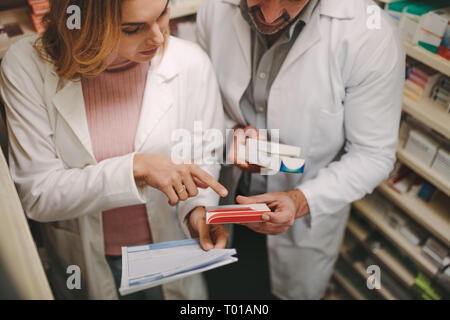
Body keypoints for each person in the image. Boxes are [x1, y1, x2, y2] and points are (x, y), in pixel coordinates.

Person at [0, 0, 229, 300]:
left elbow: (203, 159)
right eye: (132, 29)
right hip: (88, 262)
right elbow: (39, 193)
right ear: (86, 25)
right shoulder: (26, 66)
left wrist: (198, 212)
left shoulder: (191, 62)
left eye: (162, 13)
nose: (159, 38)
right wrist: (136, 168)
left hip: (169, 254)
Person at [197, 0, 405, 299]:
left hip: (303, 218)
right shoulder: (214, 8)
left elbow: (373, 154)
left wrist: (300, 200)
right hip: (226, 202)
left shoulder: (370, 35)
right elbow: (202, 102)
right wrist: (231, 136)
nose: (269, 16)